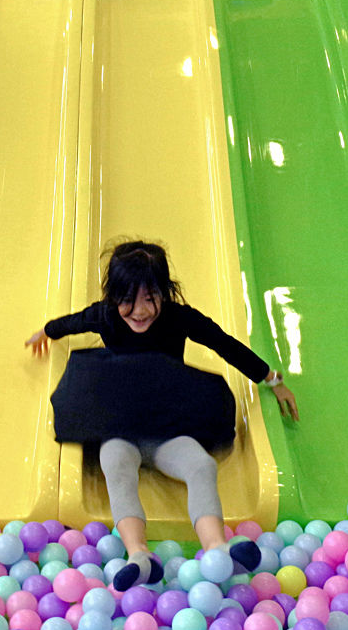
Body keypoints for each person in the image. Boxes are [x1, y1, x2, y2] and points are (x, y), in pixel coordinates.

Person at [25, 240, 299, 590]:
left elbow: (224, 344)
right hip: (121, 428)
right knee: (115, 463)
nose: (139, 311)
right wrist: (46, 331)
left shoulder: (177, 318)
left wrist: (272, 379)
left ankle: (217, 548)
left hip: (169, 428)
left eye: (150, 297)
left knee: (202, 465)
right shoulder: (106, 314)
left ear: (165, 292)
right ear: (114, 296)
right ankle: (139, 555)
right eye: (128, 300)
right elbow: (72, 322)